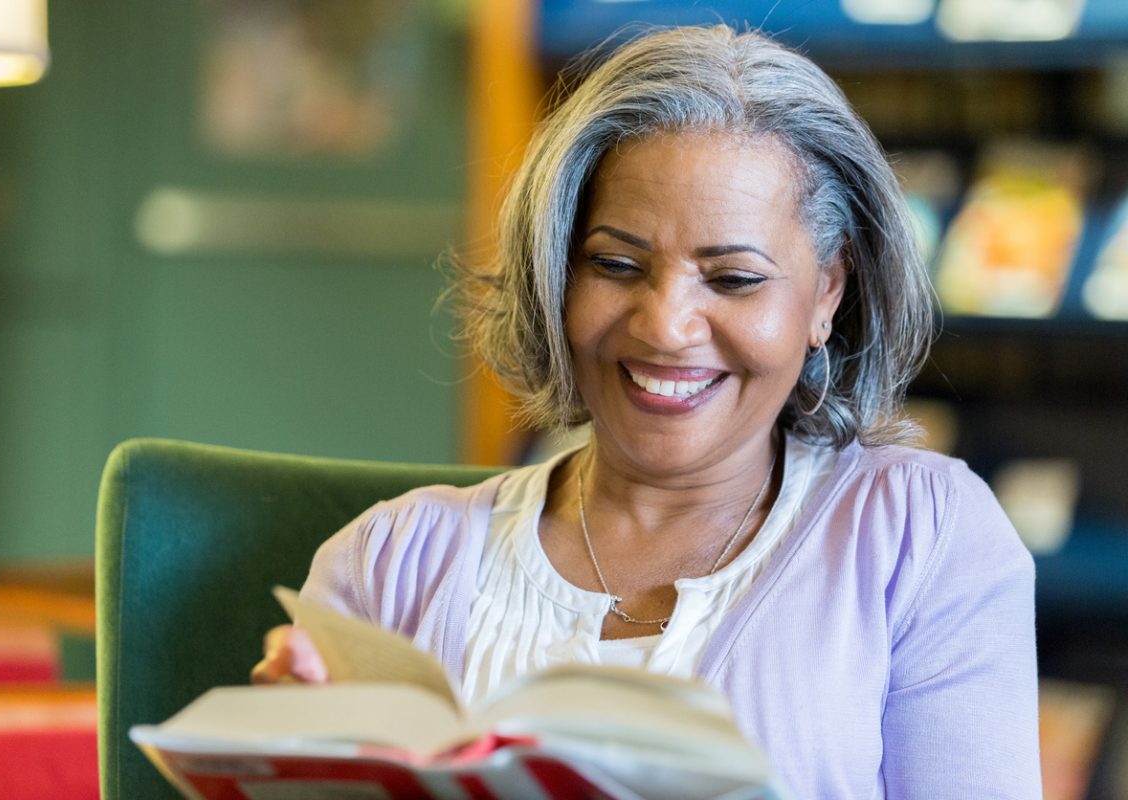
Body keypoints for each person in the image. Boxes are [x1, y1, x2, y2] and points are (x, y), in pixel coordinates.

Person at [253, 24, 1041, 798]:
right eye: (615, 264)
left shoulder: (919, 537)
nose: (665, 325)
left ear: (827, 293)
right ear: (556, 273)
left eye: (733, 278)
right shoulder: (389, 564)